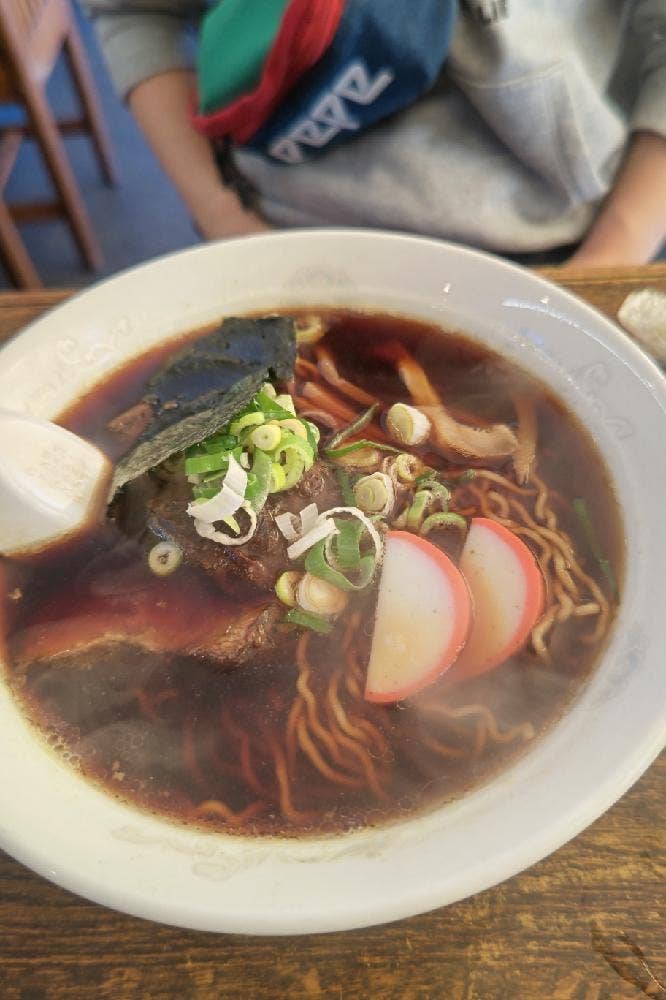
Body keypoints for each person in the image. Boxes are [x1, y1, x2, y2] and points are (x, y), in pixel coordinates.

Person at [81, 0, 666, 264]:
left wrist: (612, 252)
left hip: (557, 241)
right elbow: (136, 9)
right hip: (279, 233)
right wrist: (222, 215)